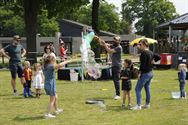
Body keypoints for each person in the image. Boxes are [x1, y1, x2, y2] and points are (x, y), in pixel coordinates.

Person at [131, 39, 157, 110]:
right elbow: (158, 57)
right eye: (139, 44)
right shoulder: (151, 52)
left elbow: (142, 65)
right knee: (147, 88)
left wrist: (139, 74)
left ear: (145, 45)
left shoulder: (144, 53)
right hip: (150, 73)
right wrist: (153, 61)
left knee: (137, 89)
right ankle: (147, 104)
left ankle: (138, 105)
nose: (139, 46)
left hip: (145, 74)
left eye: (140, 44)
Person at [100, 35, 122, 100]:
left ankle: (118, 94)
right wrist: (101, 41)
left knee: (116, 80)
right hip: (114, 65)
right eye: (114, 39)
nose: (114, 40)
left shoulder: (119, 47)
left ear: (119, 41)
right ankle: (117, 93)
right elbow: (104, 44)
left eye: (116, 40)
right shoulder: (114, 46)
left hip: (117, 66)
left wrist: (105, 45)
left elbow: (109, 51)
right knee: (114, 80)